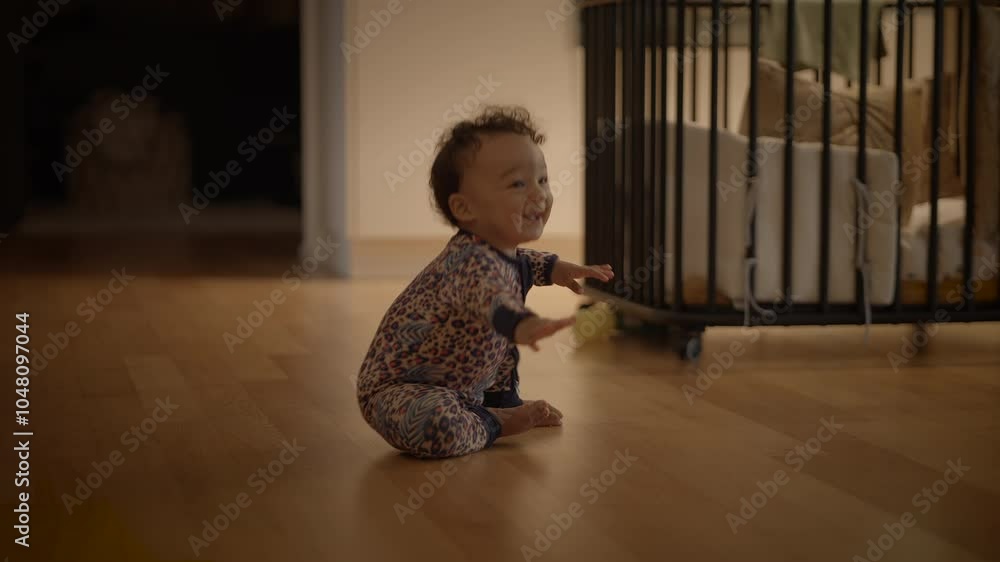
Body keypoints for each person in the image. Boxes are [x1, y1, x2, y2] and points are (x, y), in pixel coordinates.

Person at [356, 105, 613, 459]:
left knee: (502, 319)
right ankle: (497, 422)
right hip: (404, 391)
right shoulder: (469, 262)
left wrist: (559, 269)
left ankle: (499, 404)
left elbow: (523, 263)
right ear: (464, 209)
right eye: (518, 184)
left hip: (464, 386)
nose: (539, 195)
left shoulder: (498, 251)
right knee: (437, 426)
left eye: (542, 179)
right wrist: (524, 325)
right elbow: (492, 299)